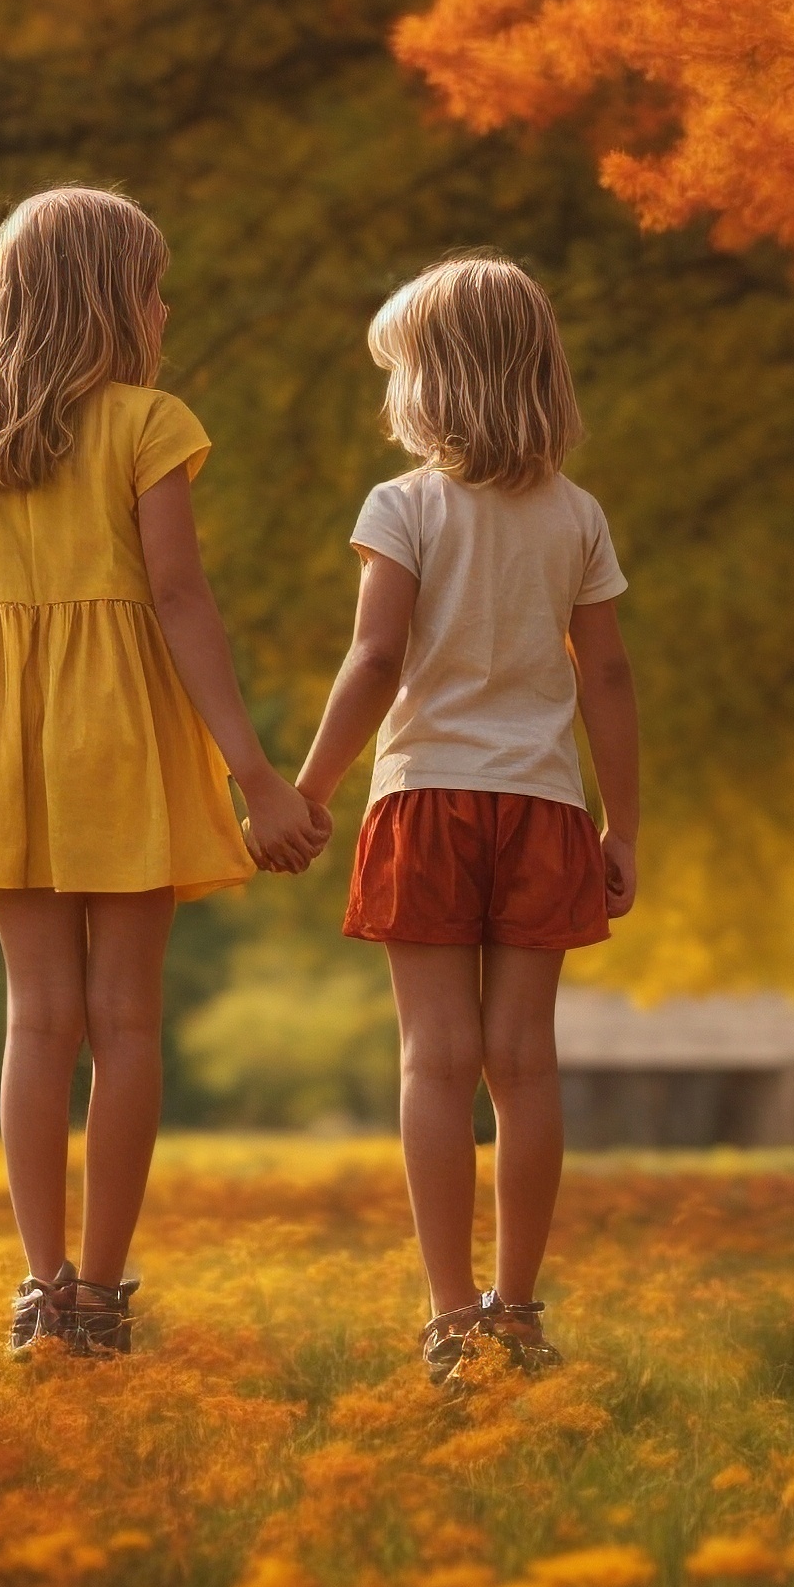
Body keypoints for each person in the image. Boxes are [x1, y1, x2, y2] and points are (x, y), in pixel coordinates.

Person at [0, 186, 329, 1360]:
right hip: (122, 738)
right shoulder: (150, 423)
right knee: (126, 1021)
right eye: (152, 284)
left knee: (37, 1021)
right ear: (108, 301)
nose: (166, 304)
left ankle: (39, 1289)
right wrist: (256, 776)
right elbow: (179, 600)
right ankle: (100, 1293)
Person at [288, 254, 639, 1385]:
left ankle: (450, 1316)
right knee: (523, 1066)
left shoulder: (403, 507)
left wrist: (310, 788)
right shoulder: (578, 516)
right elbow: (611, 682)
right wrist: (620, 828)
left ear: (430, 385)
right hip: (543, 807)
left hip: (427, 797)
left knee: (436, 1062)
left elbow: (376, 657)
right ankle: (521, 1310)